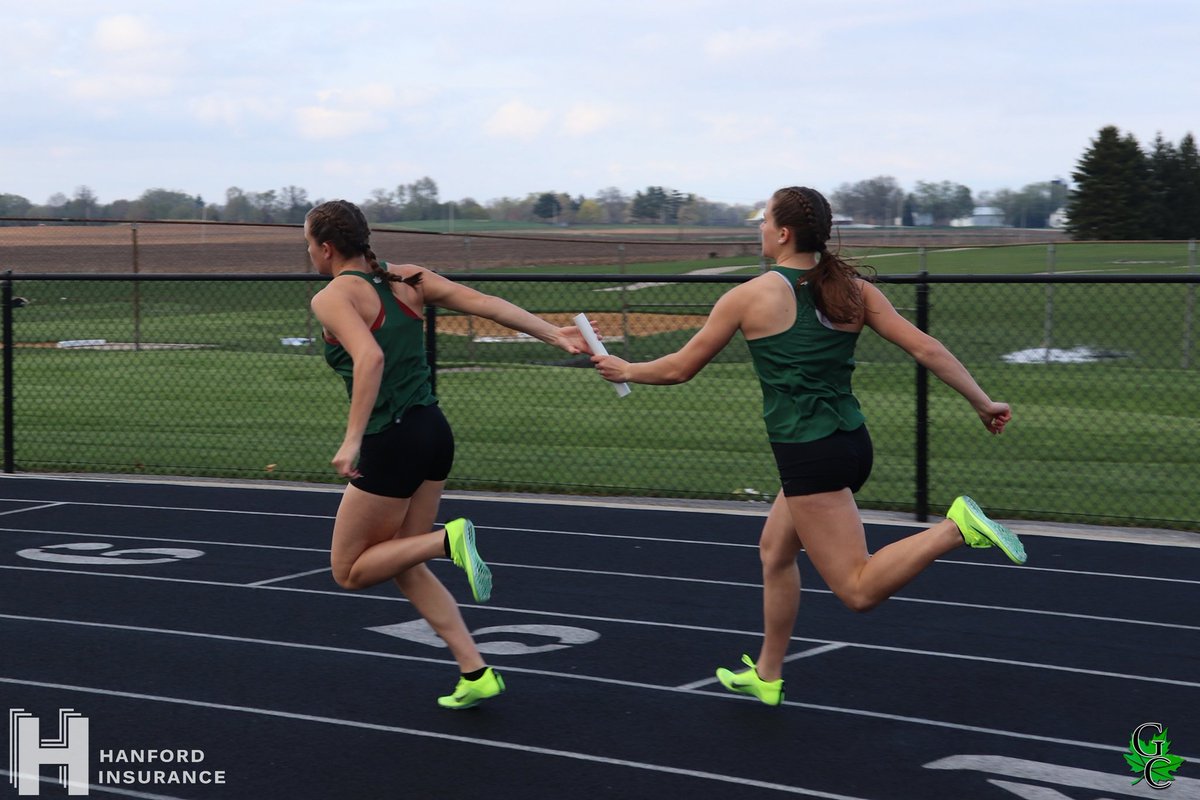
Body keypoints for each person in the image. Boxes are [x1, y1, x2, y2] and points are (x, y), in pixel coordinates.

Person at [591, 186, 1026, 707]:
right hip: (849, 444)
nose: (758, 229)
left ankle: (957, 528)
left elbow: (681, 368)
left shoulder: (750, 295)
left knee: (857, 589)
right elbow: (925, 346)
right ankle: (768, 673)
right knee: (775, 552)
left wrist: (626, 369)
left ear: (783, 232)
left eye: (763, 221)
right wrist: (982, 401)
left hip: (810, 455)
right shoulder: (853, 289)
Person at [305, 199, 590, 709]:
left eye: (308, 244)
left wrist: (351, 440)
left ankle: (448, 542)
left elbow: (370, 357)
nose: (309, 253)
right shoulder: (407, 279)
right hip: (433, 431)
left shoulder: (331, 298)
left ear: (325, 248)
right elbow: (483, 302)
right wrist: (552, 332)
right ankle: (474, 669)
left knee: (348, 570)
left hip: (389, 440)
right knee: (403, 558)